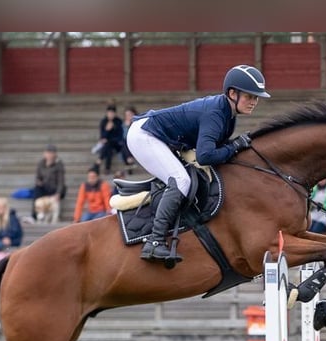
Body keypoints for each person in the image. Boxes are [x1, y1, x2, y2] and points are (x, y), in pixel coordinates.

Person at [126, 64, 270, 262]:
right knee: (181, 181)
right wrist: (235, 146)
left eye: (256, 97)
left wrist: (234, 147)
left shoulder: (228, 114)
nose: (254, 101)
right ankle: (155, 241)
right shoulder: (216, 113)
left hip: (162, 137)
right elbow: (205, 156)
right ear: (232, 93)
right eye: (249, 96)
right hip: (145, 135)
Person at [29, 143, 66, 221]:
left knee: (61, 190)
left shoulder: (59, 164)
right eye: (47, 153)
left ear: (54, 154)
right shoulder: (41, 163)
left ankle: (54, 214)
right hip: (45, 187)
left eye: (51, 153)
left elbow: (61, 181)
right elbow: (38, 177)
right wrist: (38, 182)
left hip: (55, 188)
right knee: (36, 189)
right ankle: (34, 215)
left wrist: (58, 193)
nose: (49, 155)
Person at [94, 104, 125, 173]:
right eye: (109, 113)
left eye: (112, 113)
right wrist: (107, 130)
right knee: (109, 149)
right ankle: (107, 168)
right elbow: (102, 136)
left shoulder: (118, 121)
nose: (110, 115)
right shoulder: (104, 121)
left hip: (117, 144)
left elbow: (120, 136)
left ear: (115, 113)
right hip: (107, 145)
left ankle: (98, 161)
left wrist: (109, 139)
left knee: (109, 143)